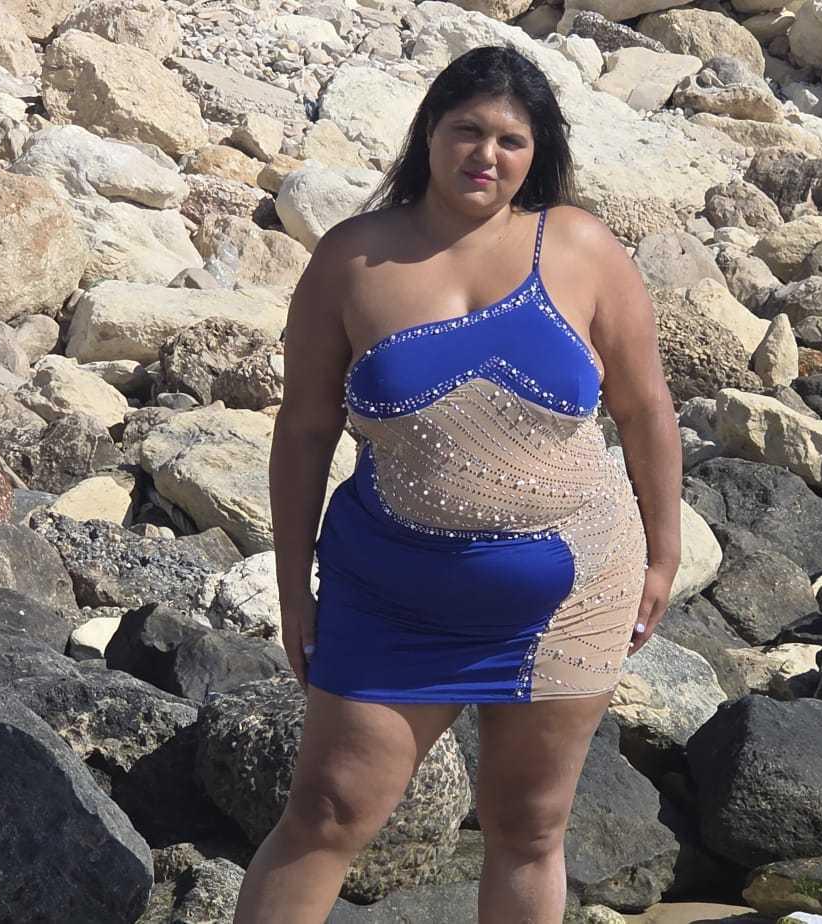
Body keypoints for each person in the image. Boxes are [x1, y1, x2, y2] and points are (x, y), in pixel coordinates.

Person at [244, 43, 682, 924]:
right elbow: (304, 431)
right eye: (467, 131)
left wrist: (663, 557)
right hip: (390, 592)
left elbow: (645, 410)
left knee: (529, 825)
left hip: (574, 590)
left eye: (510, 140)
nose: (486, 154)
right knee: (327, 810)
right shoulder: (353, 258)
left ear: (536, 152)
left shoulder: (583, 248)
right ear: (430, 134)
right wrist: (293, 588)